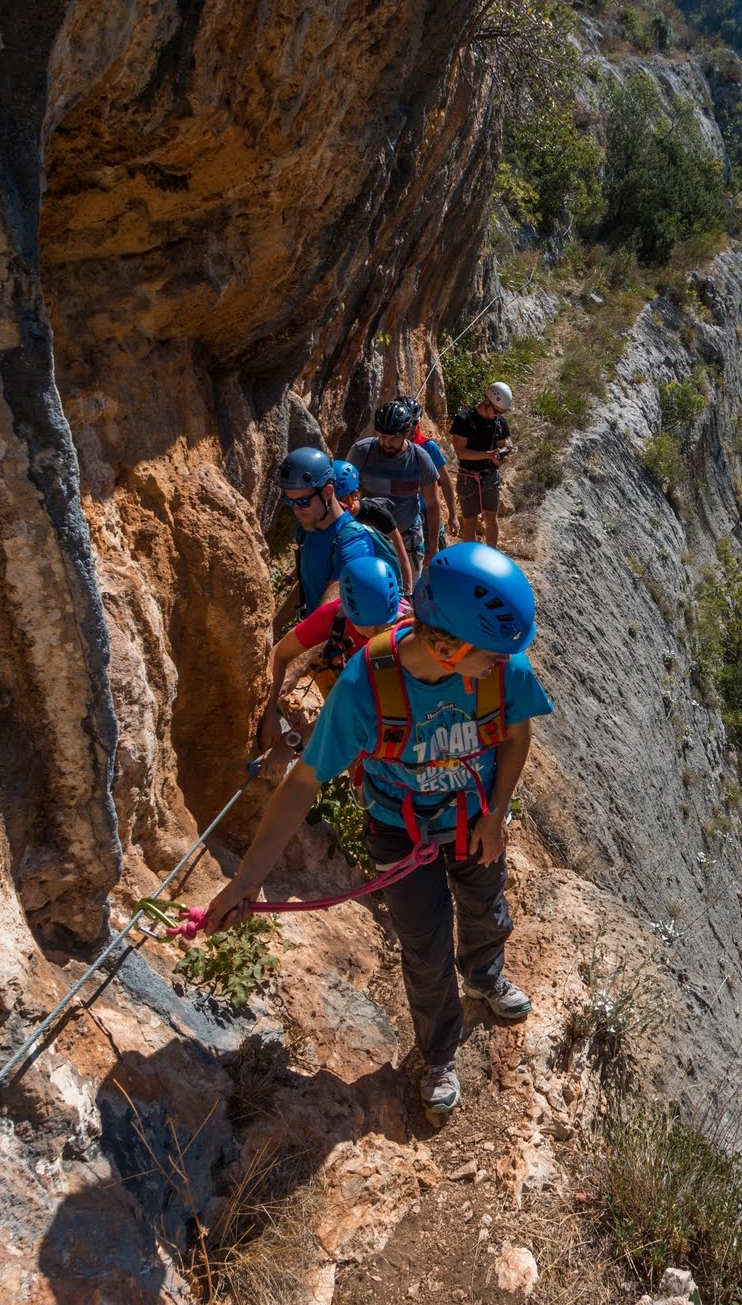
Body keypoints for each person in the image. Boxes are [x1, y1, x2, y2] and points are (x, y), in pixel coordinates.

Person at [200, 543, 552, 1119]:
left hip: (473, 815)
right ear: (447, 648)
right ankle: (439, 1055)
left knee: (486, 908)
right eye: (492, 655)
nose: (506, 663)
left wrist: (495, 814)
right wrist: (245, 883)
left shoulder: (498, 663)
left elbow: (516, 734)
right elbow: (303, 783)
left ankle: (484, 977)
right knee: (424, 948)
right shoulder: (366, 688)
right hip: (400, 827)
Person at [256, 556, 411, 775]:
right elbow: (281, 654)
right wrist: (270, 708)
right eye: (369, 626)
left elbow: (357, 712)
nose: (378, 634)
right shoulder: (334, 616)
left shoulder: (409, 634)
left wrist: (291, 743)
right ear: (348, 612)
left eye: (385, 623)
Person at [283, 447, 395, 616]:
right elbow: (306, 585)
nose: (296, 510)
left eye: (303, 501)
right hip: (311, 629)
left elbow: (326, 614)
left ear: (328, 492)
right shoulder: (308, 530)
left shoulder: (354, 542)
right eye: (290, 501)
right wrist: (273, 626)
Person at [349, 397, 442, 574]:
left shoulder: (420, 459)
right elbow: (345, 492)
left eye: (394, 438)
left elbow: (432, 504)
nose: (387, 443)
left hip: (407, 537)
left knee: (409, 587)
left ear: (406, 433)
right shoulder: (361, 452)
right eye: (383, 437)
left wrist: (433, 546)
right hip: (369, 535)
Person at [450, 381, 512, 551]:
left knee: (491, 517)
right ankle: (470, 558)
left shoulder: (499, 422)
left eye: (500, 412)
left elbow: (502, 445)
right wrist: (488, 455)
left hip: (489, 474)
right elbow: (461, 452)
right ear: (486, 402)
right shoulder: (464, 420)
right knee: (470, 521)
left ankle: (491, 554)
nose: (497, 415)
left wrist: (501, 455)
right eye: (496, 411)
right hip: (467, 476)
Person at [410, 420, 458, 539]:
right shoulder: (390, 448)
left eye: (414, 423)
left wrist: (453, 515)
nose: (411, 428)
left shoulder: (428, 446)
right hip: (403, 514)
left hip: (427, 513)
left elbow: (445, 479)